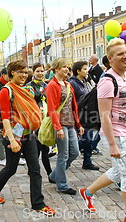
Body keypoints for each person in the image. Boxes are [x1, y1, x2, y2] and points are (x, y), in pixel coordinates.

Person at [79, 38, 126, 222]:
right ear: (110, 58)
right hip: (117, 134)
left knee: (119, 171)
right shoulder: (107, 80)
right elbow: (104, 114)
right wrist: (112, 144)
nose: (125, 56)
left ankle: (87, 192)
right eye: (120, 54)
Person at [0, 60, 55, 216]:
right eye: (20, 72)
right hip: (14, 135)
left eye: (25, 72)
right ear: (11, 73)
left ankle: (38, 203)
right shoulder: (6, 91)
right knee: (11, 168)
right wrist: (12, 140)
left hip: (28, 135)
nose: (24, 75)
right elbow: (5, 118)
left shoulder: (25, 90)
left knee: (35, 170)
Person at [46, 57, 83, 195]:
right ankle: (62, 185)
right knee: (64, 154)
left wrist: (78, 124)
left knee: (75, 152)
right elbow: (52, 109)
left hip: (70, 123)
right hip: (60, 124)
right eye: (64, 67)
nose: (67, 69)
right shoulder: (52, 85)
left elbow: (73, 105)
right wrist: (58, 127)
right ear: (56, 69)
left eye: (67, 67)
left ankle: (54, 176)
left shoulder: (67, 84)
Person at [69, 60, 99, 171]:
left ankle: (87, 161)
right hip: (79, 115)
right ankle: (70, 151)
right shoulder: (73, 83)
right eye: (85, 69)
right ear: (78, 71)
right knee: (85, 139)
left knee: (89, 139)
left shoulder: (85, 82)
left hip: (88, 114)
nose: (87, 71)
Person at [26, 62, 53, 177]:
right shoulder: (29, 86)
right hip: (34, 120)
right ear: (33, 72)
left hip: (45, 119)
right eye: (38, 71)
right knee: (36, 149)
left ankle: (48, 173)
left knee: (44, 148)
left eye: (42, 71)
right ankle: (34, 170)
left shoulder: (46, 85)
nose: (40, 73)